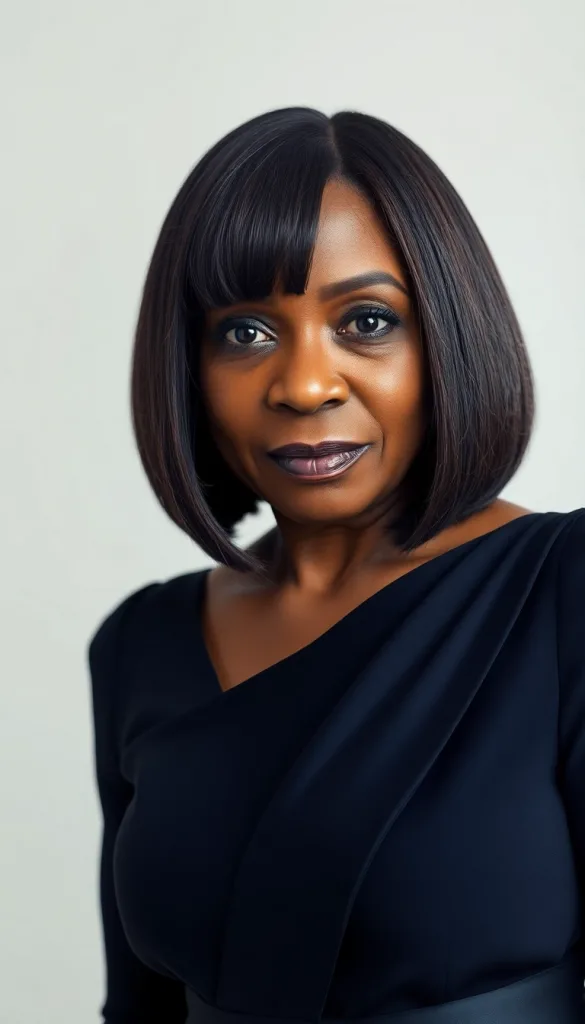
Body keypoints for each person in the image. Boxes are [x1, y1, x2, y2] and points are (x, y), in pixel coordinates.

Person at [87, 107, 585, 1023]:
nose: (305, 383)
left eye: (365, 320)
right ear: (187, 366)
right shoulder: (141, 644)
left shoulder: (562, 591)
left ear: (447, 338)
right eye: (244, 331)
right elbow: (139, 1008)